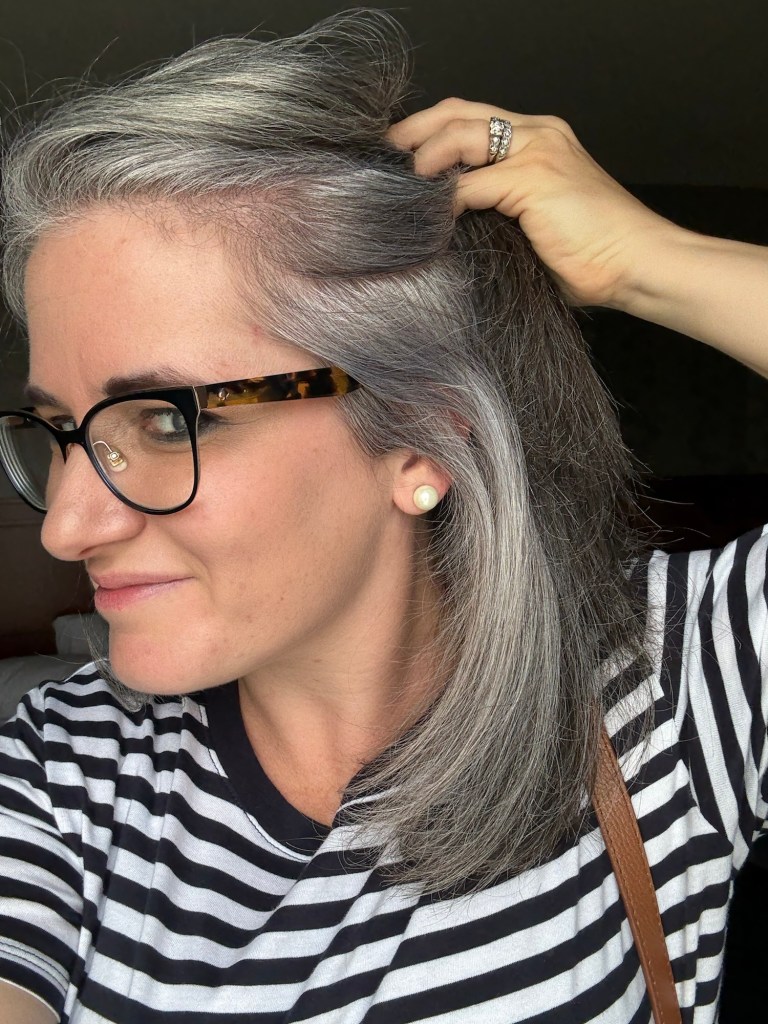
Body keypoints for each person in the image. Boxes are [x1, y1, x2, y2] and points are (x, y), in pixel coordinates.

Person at [0, 10, 766, 1023]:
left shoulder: (663, 684)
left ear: (420, 438)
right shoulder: (62, 769)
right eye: (61, 431)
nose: (67, 527)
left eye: (167, 421)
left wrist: (649, 261)